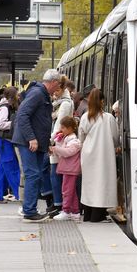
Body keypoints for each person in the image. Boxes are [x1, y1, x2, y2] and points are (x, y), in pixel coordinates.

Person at [11, 70, 61, 222]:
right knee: (33, 174)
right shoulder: (38, 94)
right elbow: (23, 115)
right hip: (29, 143)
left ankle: (29, 208)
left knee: (36, 174)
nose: (57, 88)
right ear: (52, 82)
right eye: (57, 85)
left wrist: (46, 144)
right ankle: (29, 211)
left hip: (36, 143)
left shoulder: (41, 94)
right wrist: (31, 138)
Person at [78, 88, 120, 223]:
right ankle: (99, 215)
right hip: (104, 155)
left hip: (88, 154)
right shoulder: (109, 118)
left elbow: (81, 137)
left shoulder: (85, 117)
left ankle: (88, 214)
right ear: (102, 102)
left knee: (89, 184)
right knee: (102, 183)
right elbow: (115, 138)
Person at [48, 78, 75, 217]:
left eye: (57, 90)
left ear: (63, 89)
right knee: (56, 173)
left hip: (58, 141)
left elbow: (59, 124)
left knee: (55, 173)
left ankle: (59, 203)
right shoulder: (59, 103)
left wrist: (50, 140)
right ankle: (58, 202)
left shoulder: (64, 104)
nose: (54, 92)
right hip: (58, 140)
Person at [0, 86, 21, 204]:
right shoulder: (5, 108)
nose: (18, 97)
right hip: (5, 142)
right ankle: (19, 194)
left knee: (3, 169)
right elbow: (1, 124)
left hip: (3, 142)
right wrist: (14, 123)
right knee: (12, 168)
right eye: (17, 95)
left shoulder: (4, 107)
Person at [51, 116, 82, 221]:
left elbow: (68, 152)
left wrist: (56, 148)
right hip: (67, 168)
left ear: (71, 128)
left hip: (70, 169)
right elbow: (62, 148)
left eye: (63, 127)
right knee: (71, 191)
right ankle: (75, 211)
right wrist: (58, 139)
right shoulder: (67, 138)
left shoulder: (74, 141)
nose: (61, 129)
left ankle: (66, 210)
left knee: (67, 191)